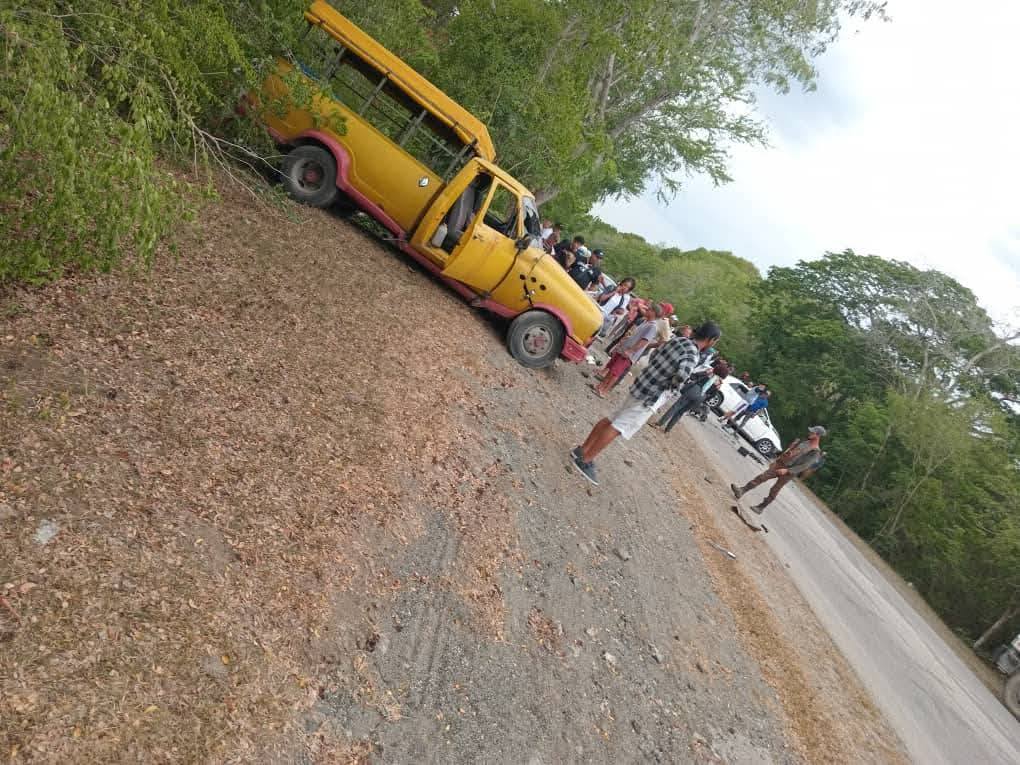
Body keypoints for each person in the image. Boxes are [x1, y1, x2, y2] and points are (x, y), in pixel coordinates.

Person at [571, 322, 723, 485]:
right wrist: (672, 384)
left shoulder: (679, 340)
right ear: (710, 339)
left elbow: (655, 355)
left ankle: (582, 450)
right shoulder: (693, 354)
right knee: (619, 426)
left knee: (612, 418)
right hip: (652, 395)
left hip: (642, 384)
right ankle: (585, 460)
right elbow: (681, 376)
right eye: (715, 341)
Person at [731, 426, 827, 513]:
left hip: (789, 472)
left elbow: (804, 466)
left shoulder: (815, 451)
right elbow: (790, 452)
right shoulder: (805, 442)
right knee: (762, 477)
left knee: (775, 489)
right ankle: (742, 490)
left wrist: (787, 471)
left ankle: (761, 507)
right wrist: (777, 460)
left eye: (812, 432)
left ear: (818, 436)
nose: (809, 433)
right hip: (781, 463)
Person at [592, 303, 663, 397]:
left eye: (649, 309)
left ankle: (604, 391)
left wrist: (631, 351)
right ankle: (600, 386)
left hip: (629, 354)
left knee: (615, 373)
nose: (646, 310)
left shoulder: (652, 327)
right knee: (612, 369)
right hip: (624, 349)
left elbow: (644, 342)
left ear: (653, 312)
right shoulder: (645, 322)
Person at [655, 359, 730, 432]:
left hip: (695, 389)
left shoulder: (709, 372)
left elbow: (695, 375)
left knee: (676, 407)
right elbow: (712, 395)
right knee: (681, 412)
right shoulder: (719, 383)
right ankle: (668, 429)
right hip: (701, 397)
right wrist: (704, 398)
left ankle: (659, 424)